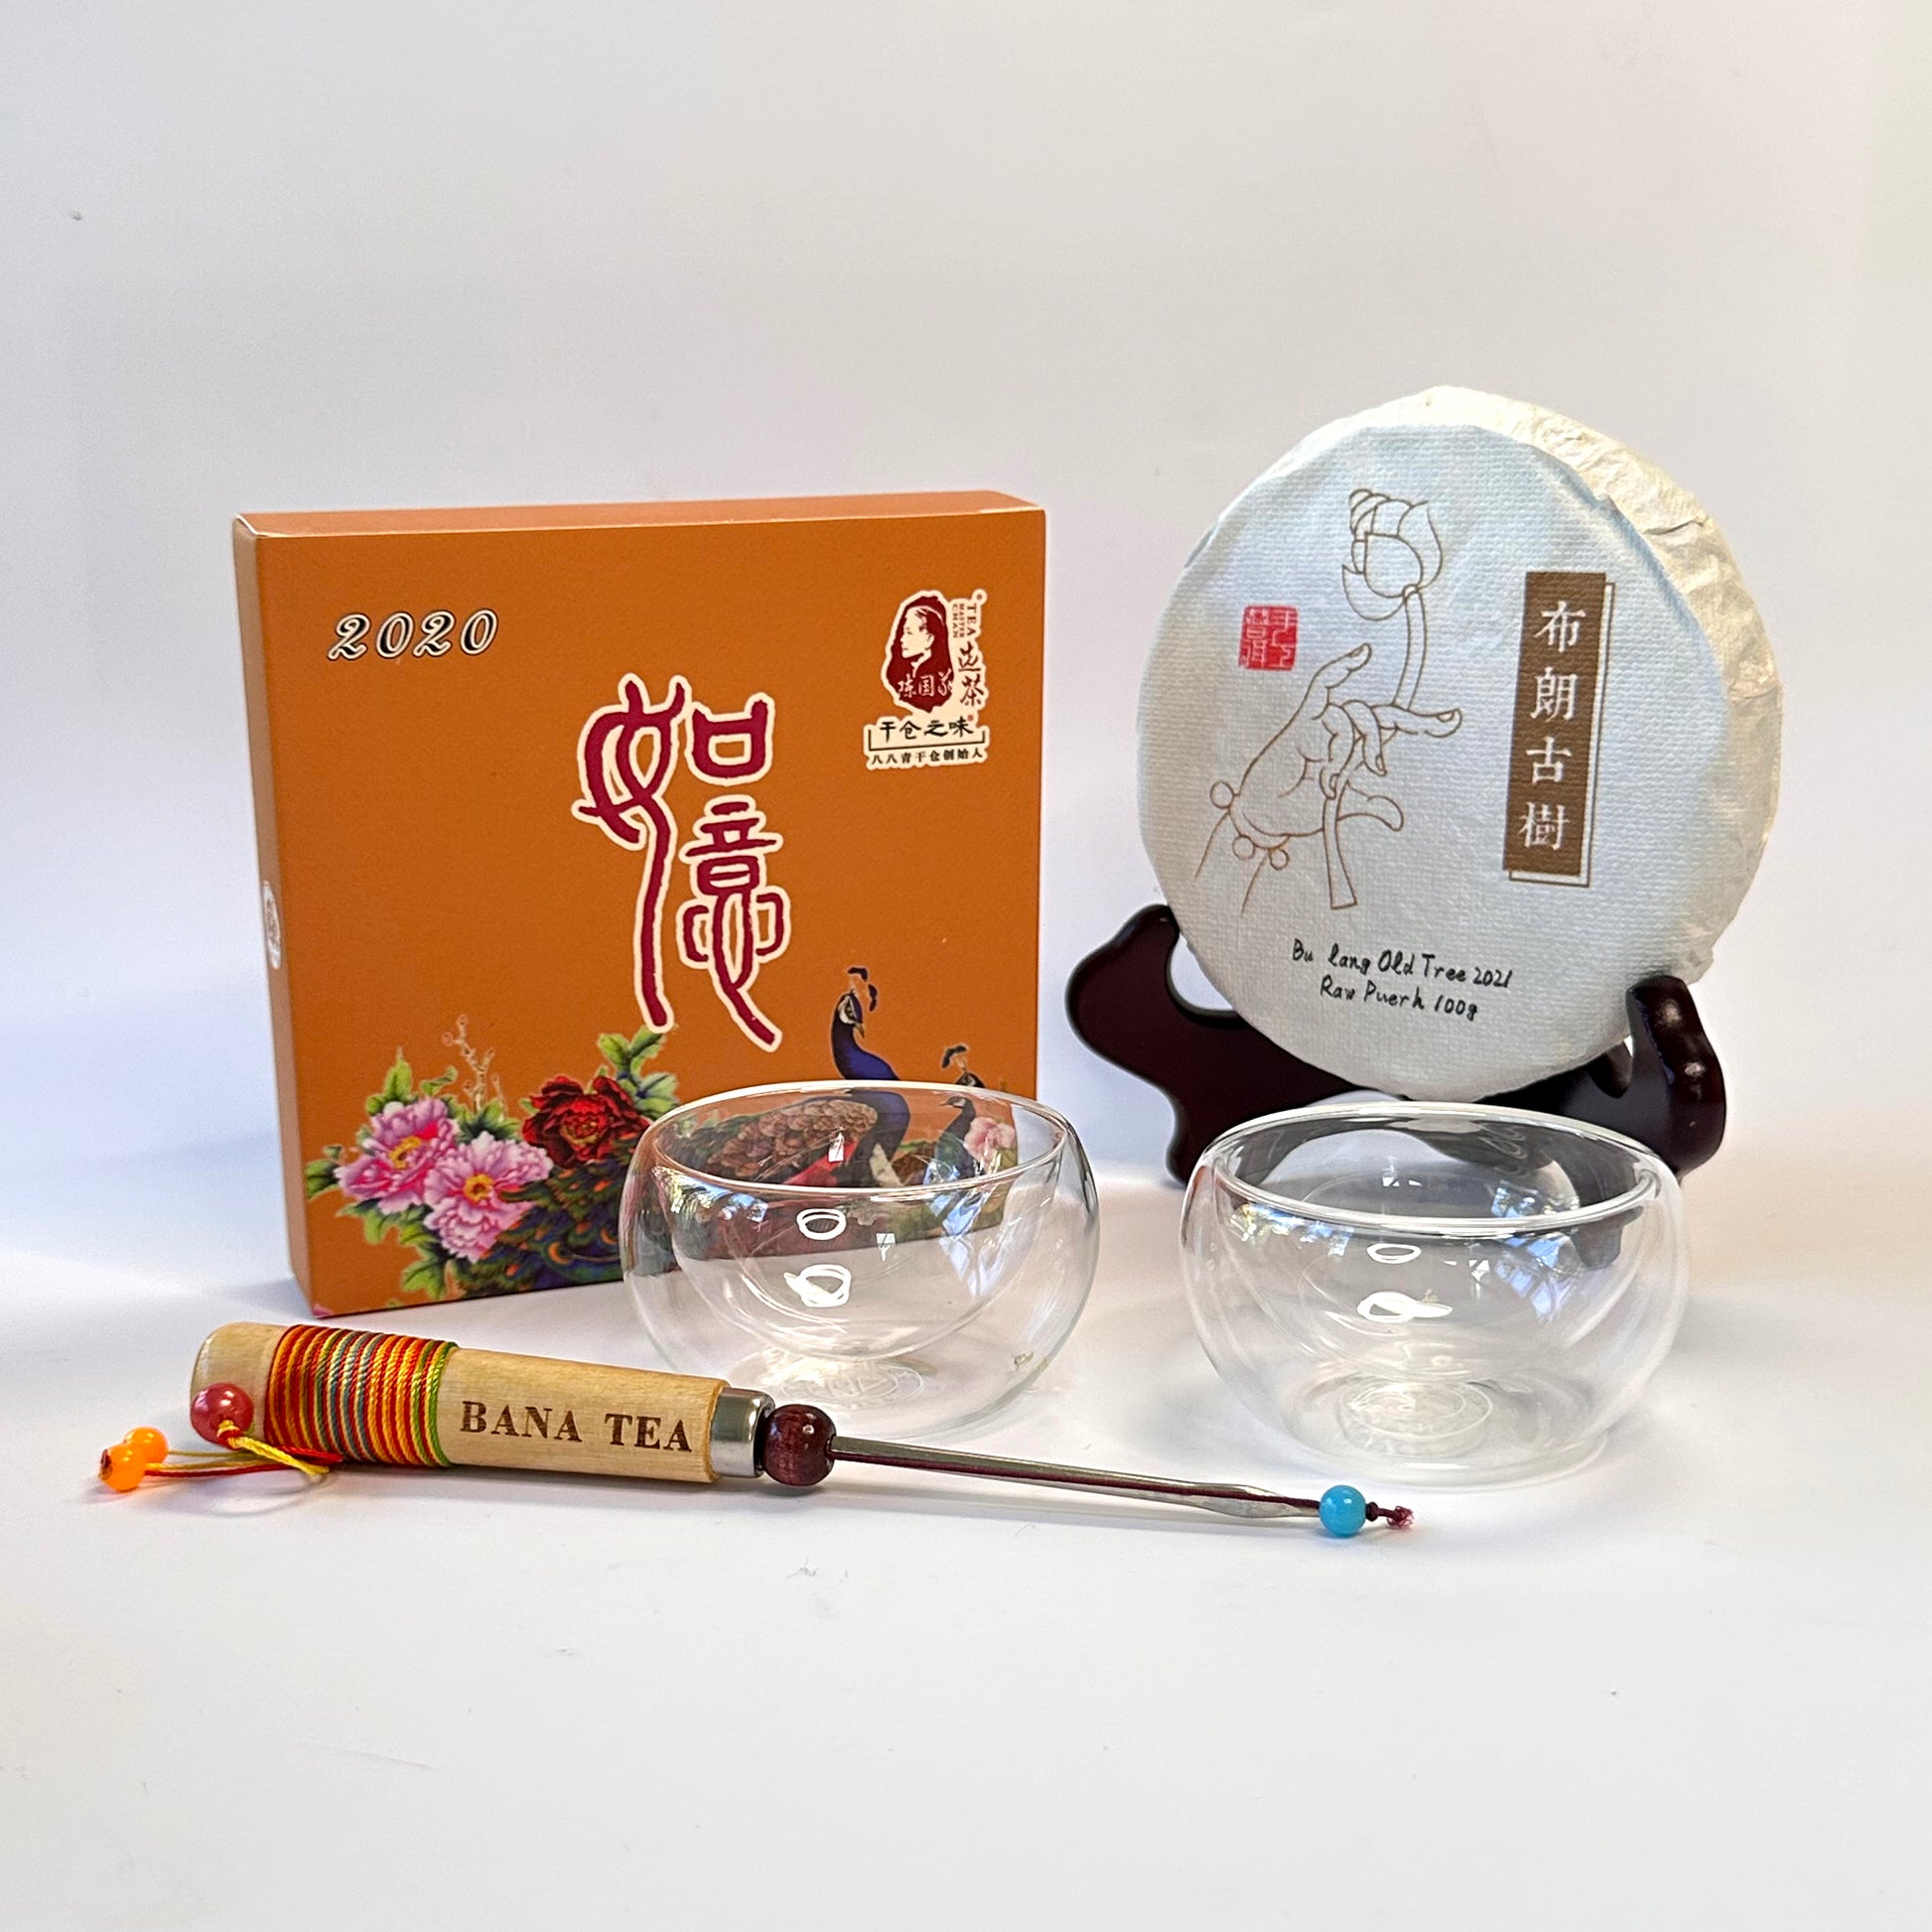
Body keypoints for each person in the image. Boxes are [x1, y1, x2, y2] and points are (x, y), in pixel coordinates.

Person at [883, 594, 954, 713]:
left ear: (929, 639)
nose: (901, 639)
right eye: (903, 632)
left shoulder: (941, 681)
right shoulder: (903, 674)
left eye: (909, 632)